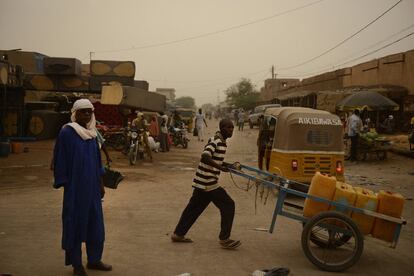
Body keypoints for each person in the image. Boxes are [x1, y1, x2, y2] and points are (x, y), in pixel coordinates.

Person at [52, 99, 112, 276]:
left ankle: (94, 260)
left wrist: (101, 183)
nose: (87, 115)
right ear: (75, 113)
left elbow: (97, 160)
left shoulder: (92, 134)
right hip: (76, 188)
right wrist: (64, 183)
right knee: (75, 224)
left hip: (93, 188)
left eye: (89, 112)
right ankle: (77, 264)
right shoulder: (67, 133)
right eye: (83, 112)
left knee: (96, 226)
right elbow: (59, 159)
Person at [171, 119, 241, 249]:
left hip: (201, 183)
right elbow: (205, 156)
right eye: (228, 128)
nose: (231, 131)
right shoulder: (216, 140)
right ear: (222, 128)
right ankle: (224, 239)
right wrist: (220, 168)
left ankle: (178, 234)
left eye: (232, 128)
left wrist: (229, 166)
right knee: (228, 205)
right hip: (208, 182)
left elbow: (215, 160)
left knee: (193, 209)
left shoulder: (221, 142)